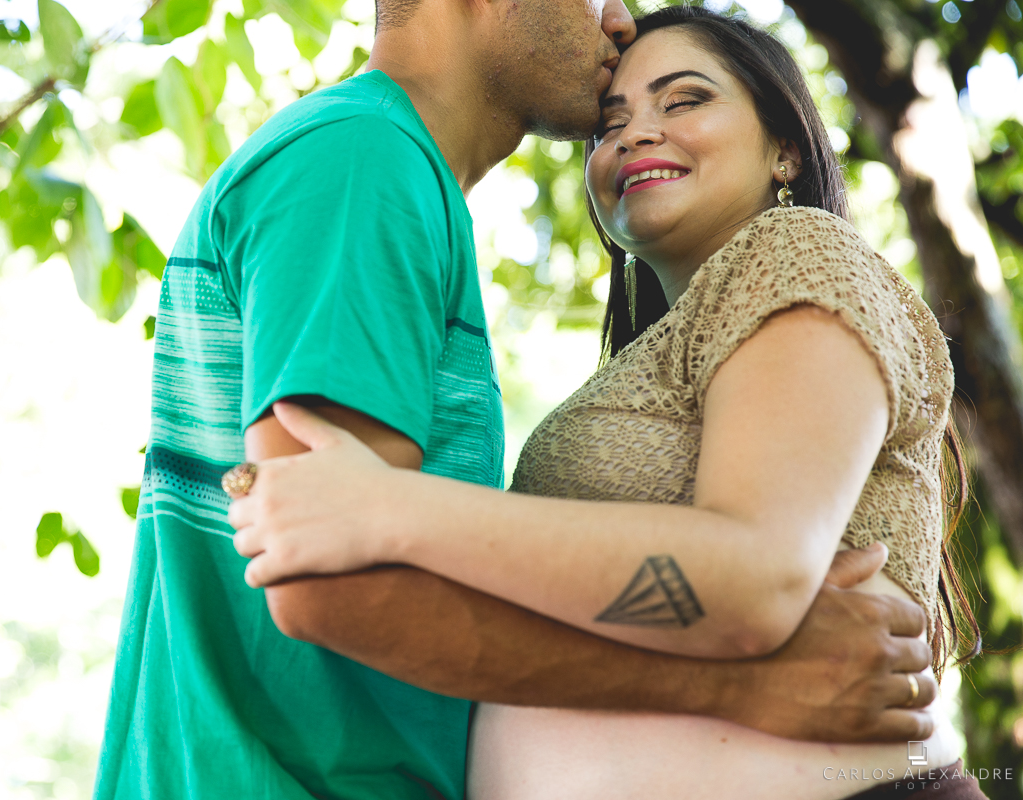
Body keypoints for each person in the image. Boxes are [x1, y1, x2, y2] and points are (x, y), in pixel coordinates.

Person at [95, 0, 943, 798]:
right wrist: (739, 684)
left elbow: (353, 533)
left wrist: (391, 507)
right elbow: (327, 573)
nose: (618, 18)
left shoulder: (388, 173)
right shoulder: (363, 160)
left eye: (684, 100)